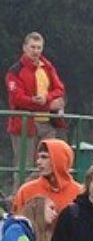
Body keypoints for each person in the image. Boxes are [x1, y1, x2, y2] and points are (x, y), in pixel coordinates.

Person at [6, 31, 66, 170]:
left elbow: (59, 89)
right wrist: (48, 105)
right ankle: (22, 186)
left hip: (48, 124)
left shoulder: (47, 67)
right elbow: (18, 99)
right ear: (24, 48)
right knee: (24, 167)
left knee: (48, 165)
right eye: (32, 47)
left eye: (39, 47)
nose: (36, 51)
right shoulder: (14, 71)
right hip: (24, 125)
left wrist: (47, 98)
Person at [11, 138, 81, 215]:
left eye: (44, 157)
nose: (38, 162)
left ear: (60, 159)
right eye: (38, 157)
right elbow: (16, 219)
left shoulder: (79, 193)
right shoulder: (26, 191)